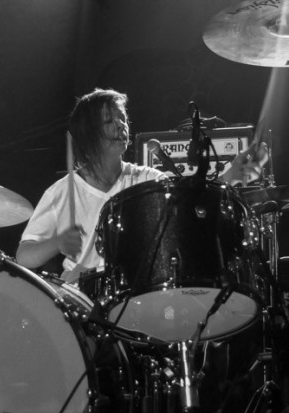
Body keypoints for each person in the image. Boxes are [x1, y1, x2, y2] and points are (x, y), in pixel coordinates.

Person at [15, 88, 266, 283]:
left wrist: (231, 175)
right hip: (79, 297)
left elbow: (191, 198)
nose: (121, 125)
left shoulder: (145, 179)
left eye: (123, 119)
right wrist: (56, 243)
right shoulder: (62, 192)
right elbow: (24, 256)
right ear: (88, 133)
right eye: (109, 121)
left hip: (135, 292)